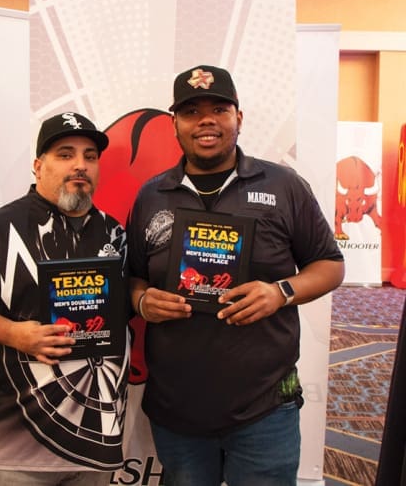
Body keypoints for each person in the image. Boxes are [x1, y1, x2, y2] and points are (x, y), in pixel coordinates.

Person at [127, 65, 345, 486]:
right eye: (191, 111)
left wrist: (280, 292)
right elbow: (133, 276)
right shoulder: (152, 195)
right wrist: (142, 301)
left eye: (219, 109)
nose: (206, 121)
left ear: (238, 118)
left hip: (266, 408)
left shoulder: (283, 185)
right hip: (177, 407)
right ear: (175, 124)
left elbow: (330, 264)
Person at [0, 112, 129, 486]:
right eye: (65, 154)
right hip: (17, 436)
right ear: (39, 166)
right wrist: (15, 334)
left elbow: (125, 302)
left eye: (89, 156)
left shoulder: (114, 232)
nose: (80, 165)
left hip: (97, 437)